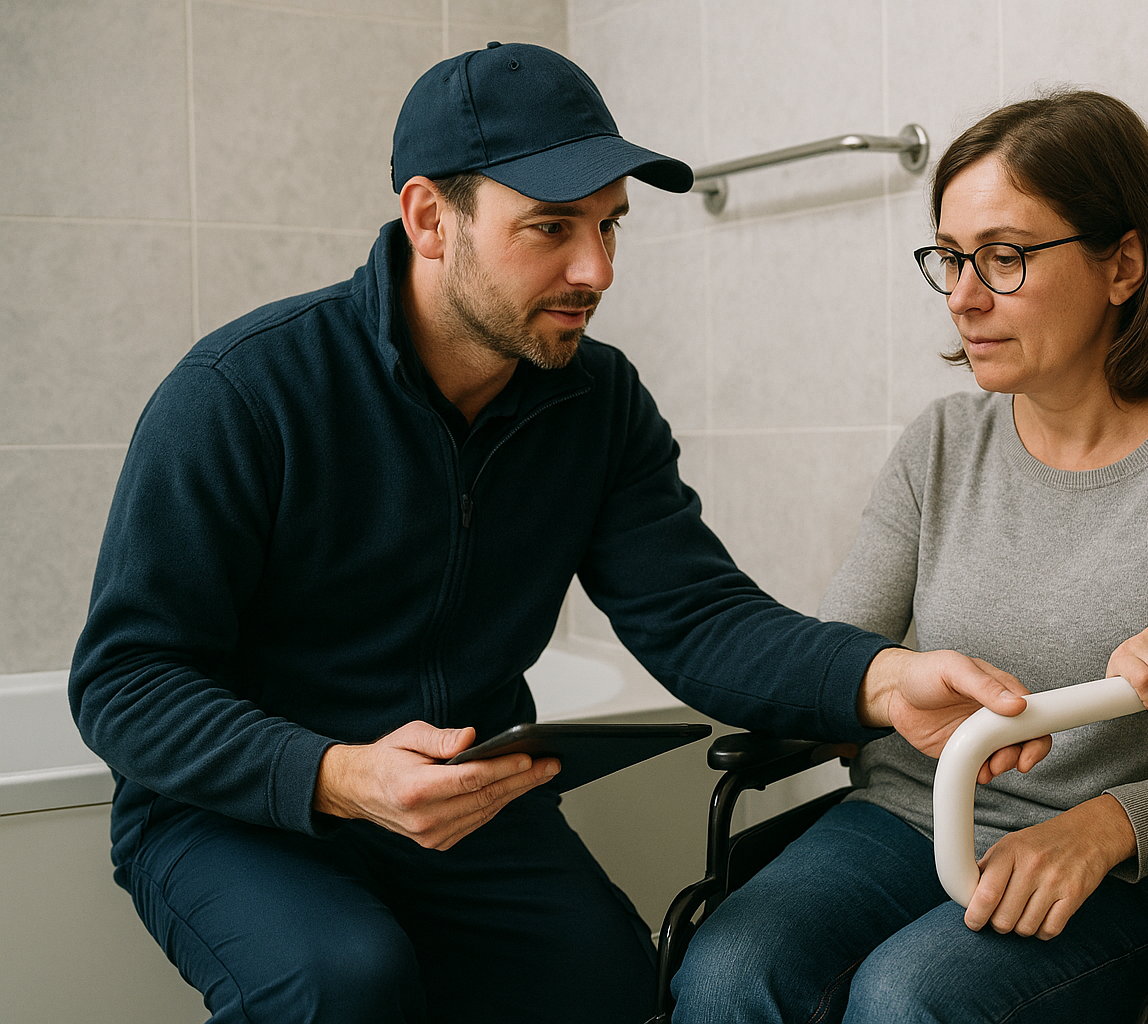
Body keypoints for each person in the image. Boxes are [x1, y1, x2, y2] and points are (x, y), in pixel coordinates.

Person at [68, 44, 1049, 1024]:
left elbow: (696, 614)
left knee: (614, 991)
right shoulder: (243, 394)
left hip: (464, 797)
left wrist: (883, 680)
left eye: (608, 226)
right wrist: (339, 775)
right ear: (427, 218)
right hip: (240, 807)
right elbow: (125, 681)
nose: (597, 270)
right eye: (549, 227)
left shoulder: (596, 401)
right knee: (343, 981)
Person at [669, 90, 1148, 1024]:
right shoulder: (942, 444)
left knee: (910, 997)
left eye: (1004, 257)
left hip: (1107, 861)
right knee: (726, 972)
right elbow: (843, 667)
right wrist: (850, 698)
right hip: (906, 818)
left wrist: (1112, 824)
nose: (962, 295)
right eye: (951, 259)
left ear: (1123, 265)